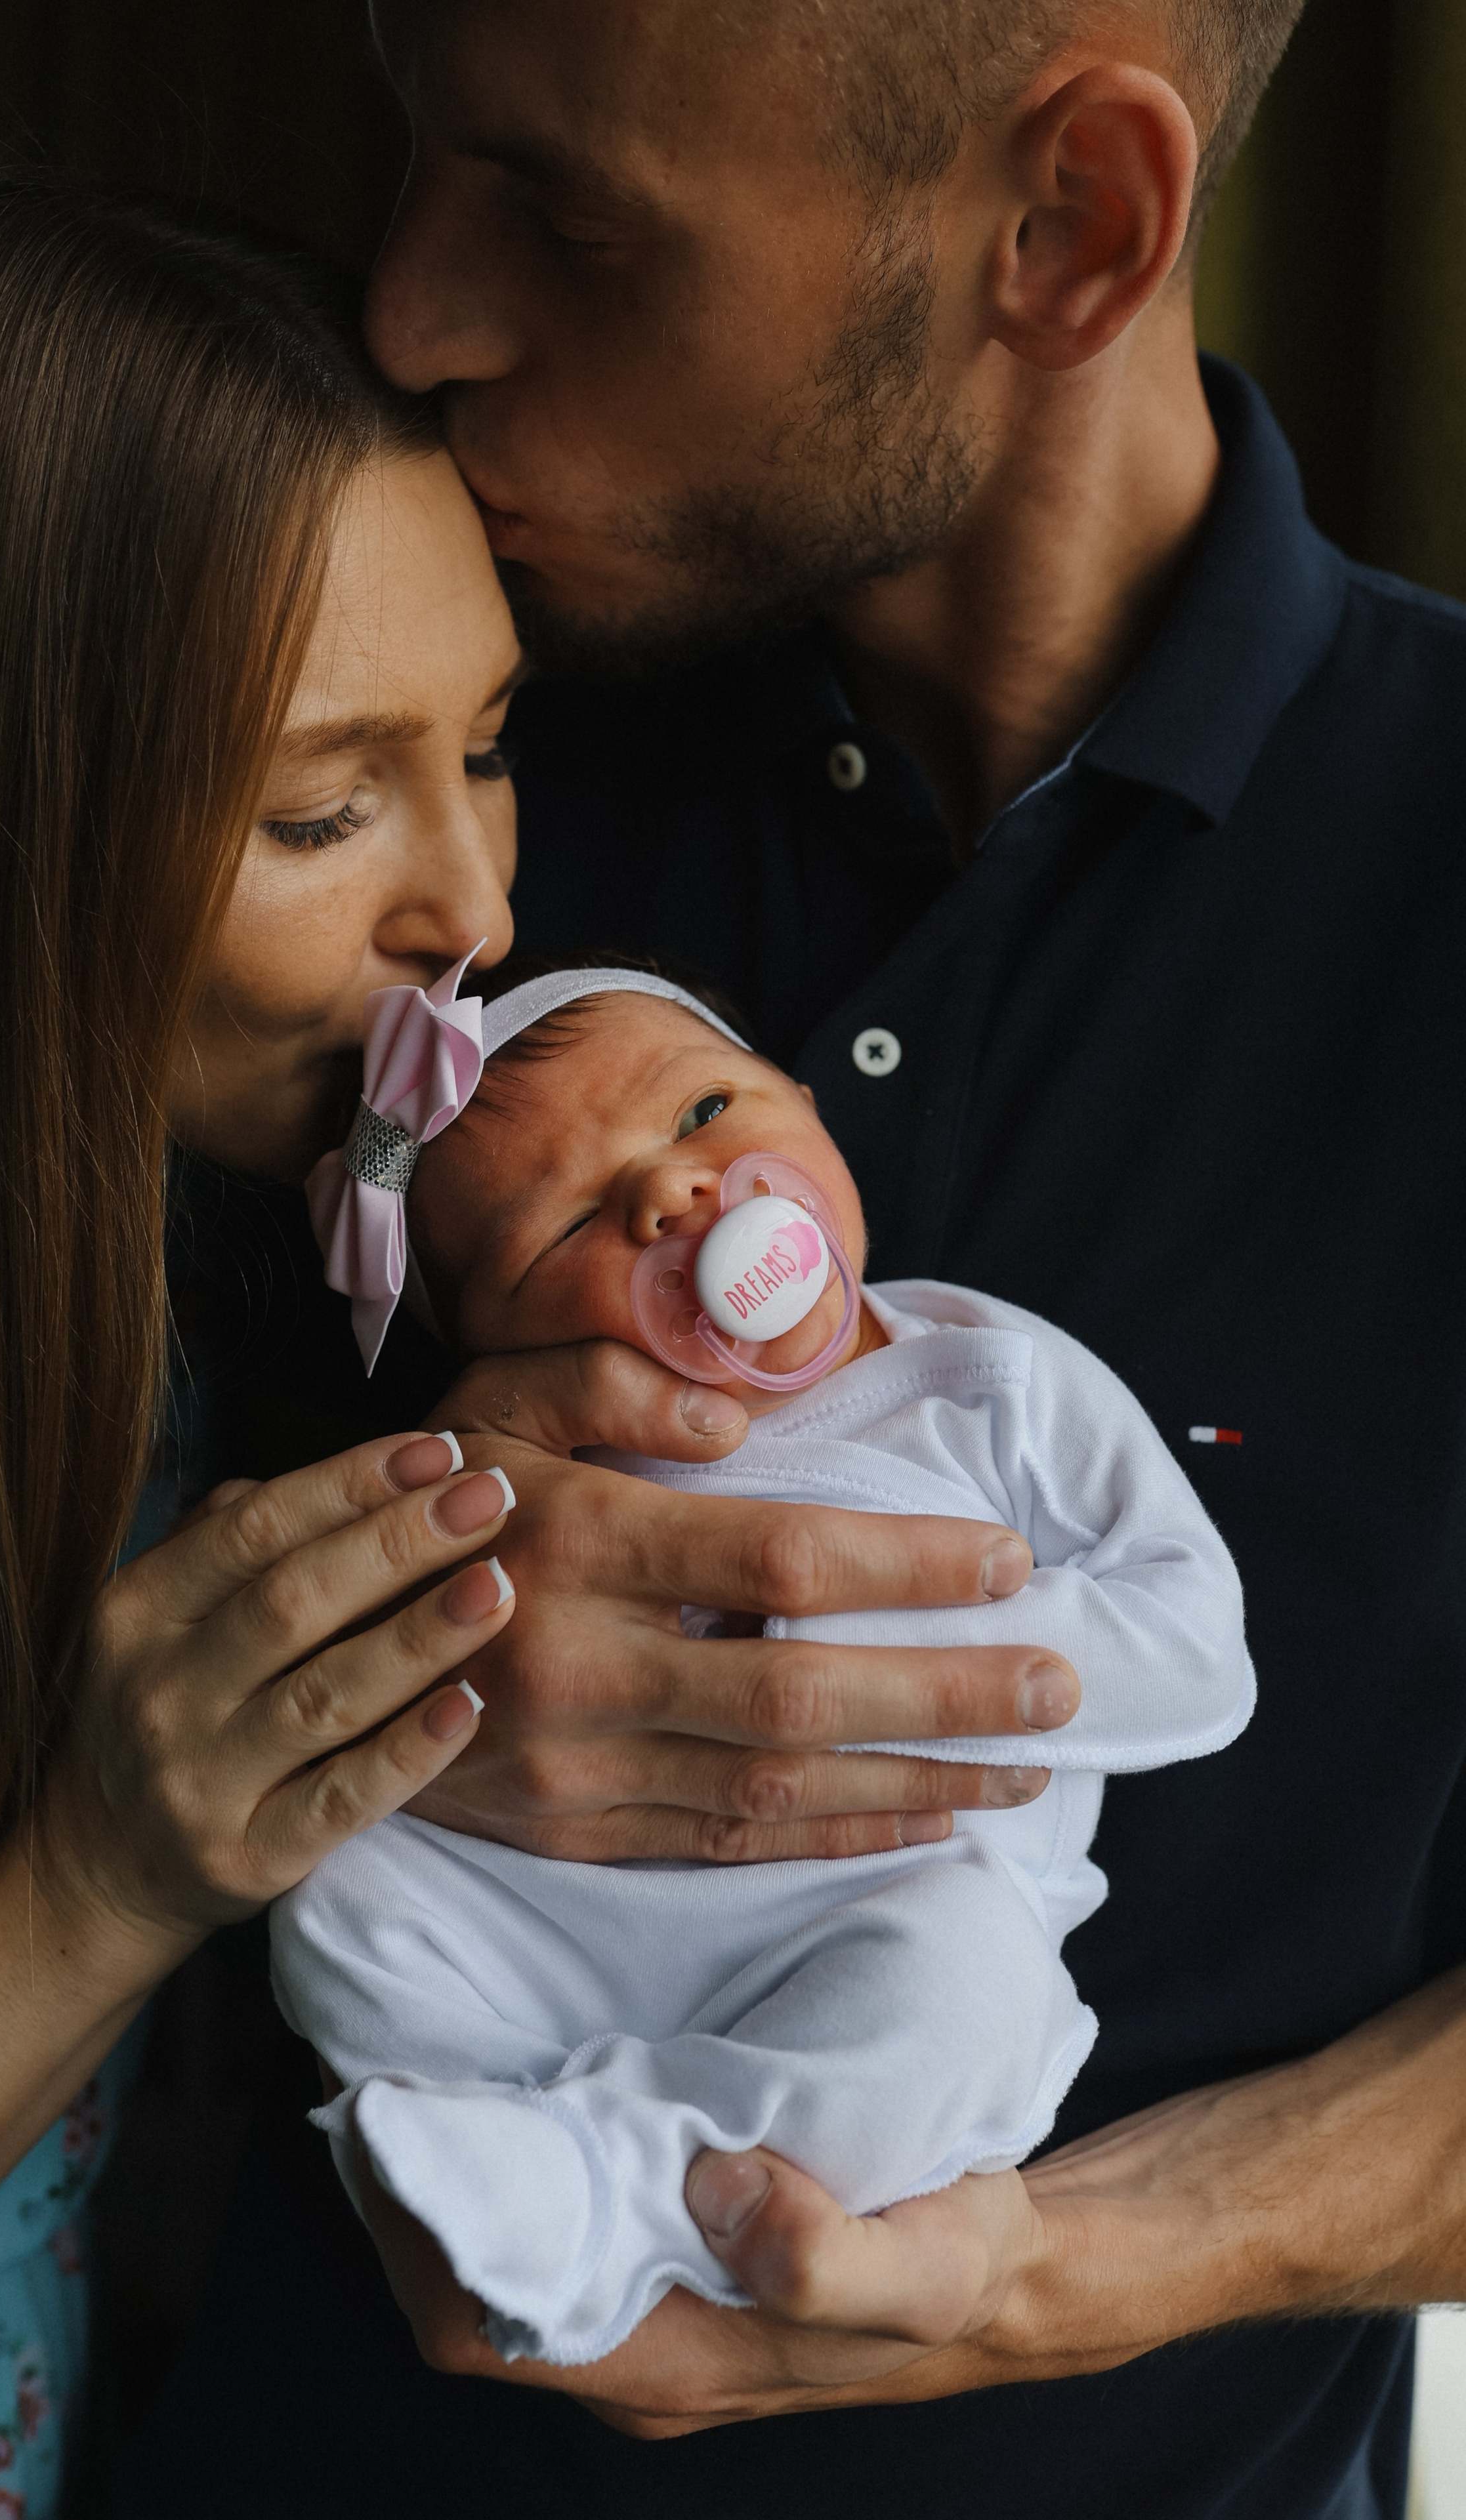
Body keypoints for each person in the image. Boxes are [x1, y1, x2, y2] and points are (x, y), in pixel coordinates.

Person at [108, 1, 1466, 2515]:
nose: (408, 310)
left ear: (1063, 231)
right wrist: (340, 1657)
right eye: (424, 152)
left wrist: (1055, 2265)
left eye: (572, 214)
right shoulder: (395, 773)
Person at [0, 170, 538, 2517]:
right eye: (326, 805)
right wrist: (103, 1881)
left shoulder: (189, 1293)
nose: (478, 910)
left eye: (492, 742)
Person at [273, 957, 1254, 2372]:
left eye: (705, 1107)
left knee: (970, 1993)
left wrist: (929, 1653)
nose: (670, 1195)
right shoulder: (547, 1469)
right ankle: (472, 2149)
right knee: (334, 1878)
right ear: (497, 1349)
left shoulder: (984, 1382)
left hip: (882, 1900)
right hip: (560, 1912)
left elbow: (1196, 1652)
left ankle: (620, 2181)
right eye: (566, 1226)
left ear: (807, 1103)